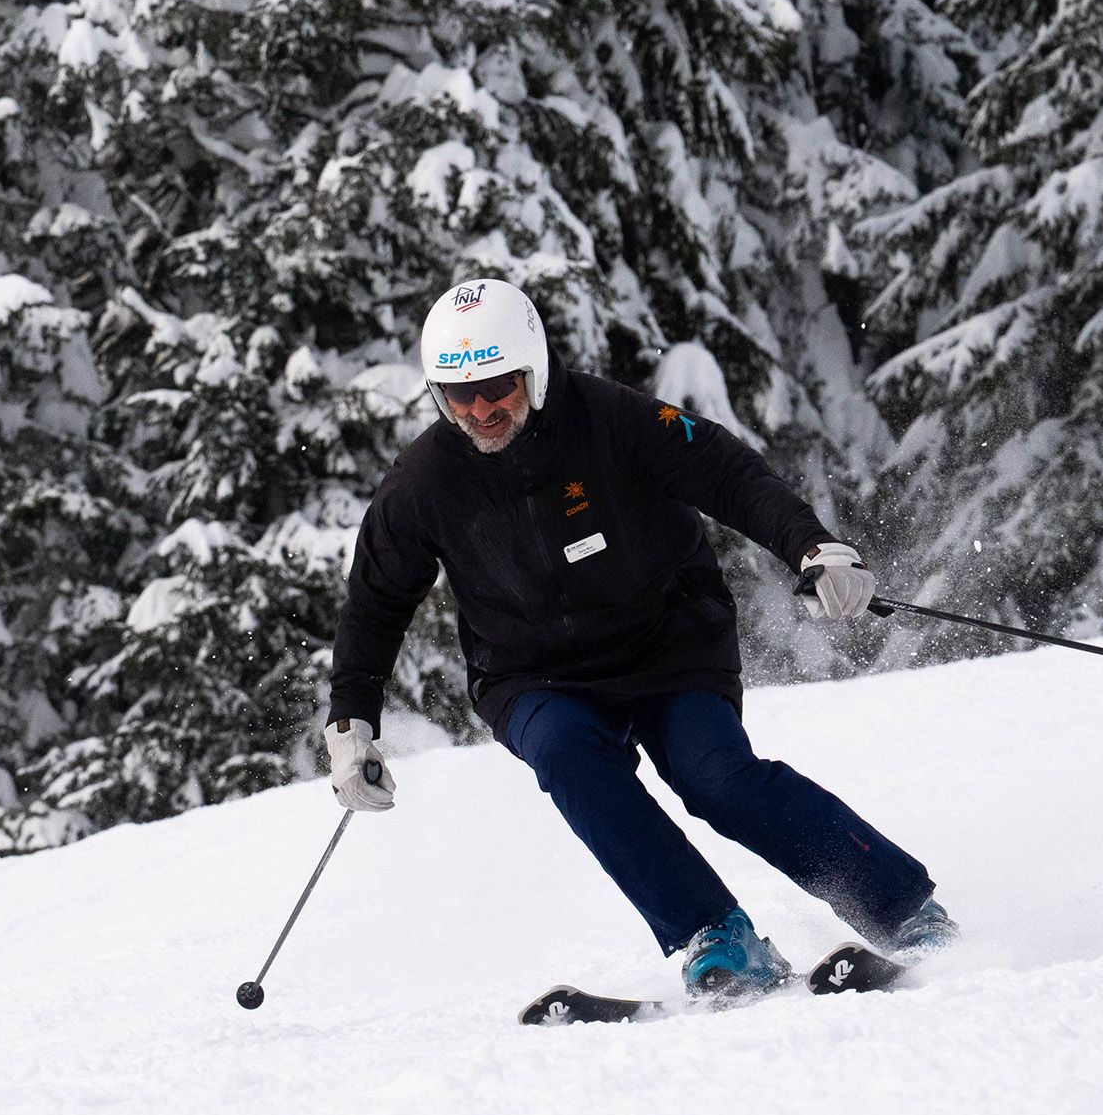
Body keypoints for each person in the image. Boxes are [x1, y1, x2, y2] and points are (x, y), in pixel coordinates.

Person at [321, 277, 956, 999]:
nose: (480, 411)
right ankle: (715, 933)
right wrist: (352, 724)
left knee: (715, 778)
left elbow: (726, 473)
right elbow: (375, 601)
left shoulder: (612, 419)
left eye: (497, 387)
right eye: (458, 395)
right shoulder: (423, 482)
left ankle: (904, 912)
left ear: (532, 368)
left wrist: (813, 547)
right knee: (569, 758)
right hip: (532, 676)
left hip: (668, 647)